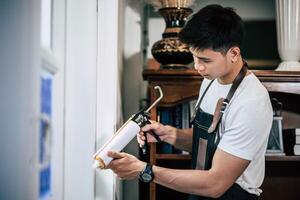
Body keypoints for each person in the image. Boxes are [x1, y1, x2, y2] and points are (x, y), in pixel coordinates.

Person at [107, 4, 273, 200]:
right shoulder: (211, 80)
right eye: (194, 57)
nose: (198, 67)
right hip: (200, 191)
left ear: (234, 54)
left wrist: (145, 170)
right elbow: (208, 140)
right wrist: (167, 134)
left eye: (205, 60)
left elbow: (215, 185)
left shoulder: (251, 102)